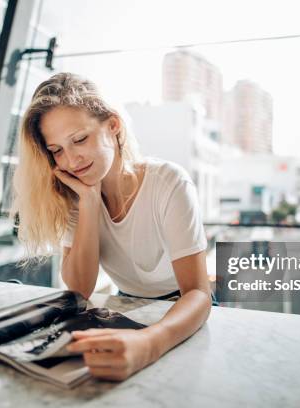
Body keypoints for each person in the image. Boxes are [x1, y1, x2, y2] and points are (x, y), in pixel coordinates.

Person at [11, 72, 212, 381]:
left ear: (113, 125)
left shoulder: (169, 181)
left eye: (79, 139)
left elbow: (198, 293)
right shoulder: (78, 196)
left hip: (184, 314)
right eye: (56, 150)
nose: (71, 159)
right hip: (128, 306)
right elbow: (79, 289)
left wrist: (149, 344)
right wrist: (89, 201)